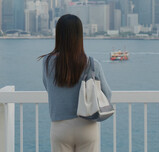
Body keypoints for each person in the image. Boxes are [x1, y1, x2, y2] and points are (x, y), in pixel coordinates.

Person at [40, 14, 112, 152]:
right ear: (80, 35)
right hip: (87, 126)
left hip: (60, 127)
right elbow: (107, 94)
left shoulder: (47, 62)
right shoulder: (92, 64)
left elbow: (48, 87)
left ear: (59, 34)